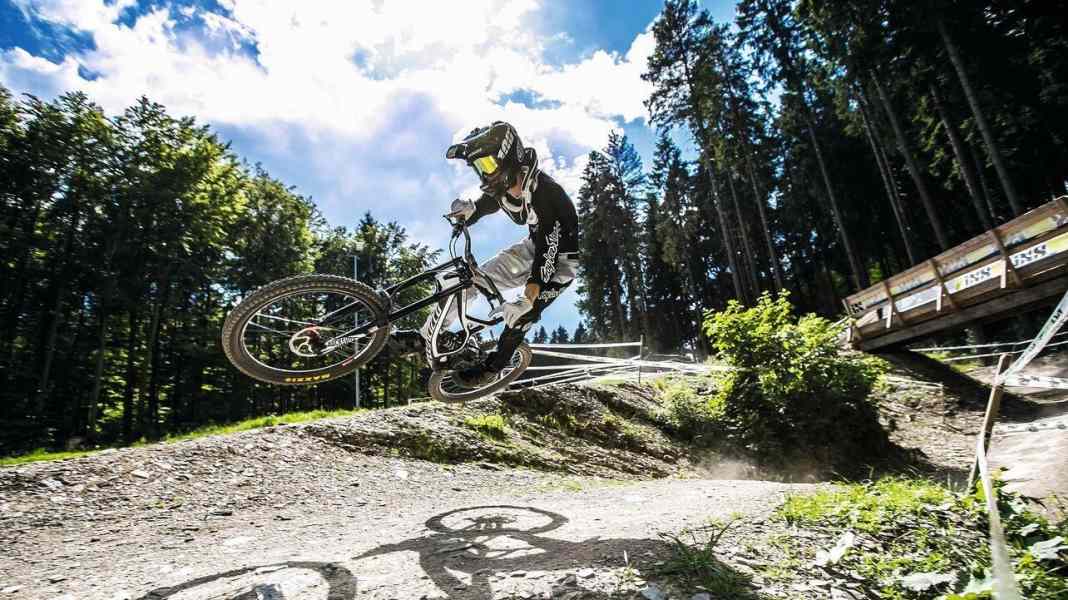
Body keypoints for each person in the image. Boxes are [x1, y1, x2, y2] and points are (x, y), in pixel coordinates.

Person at [393, 121, 579, 388]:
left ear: (508, 157)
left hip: (560, 261)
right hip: (531, 247)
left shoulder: (548, 194)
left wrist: (528, 297)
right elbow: (489, 203)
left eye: (488, 165)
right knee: (470, 281)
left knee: (523, 314)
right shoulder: (508, 184)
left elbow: (548, 254)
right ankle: (426, 337)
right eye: (479, 168)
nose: (484, 175)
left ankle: (493, 367)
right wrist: (469, 213)